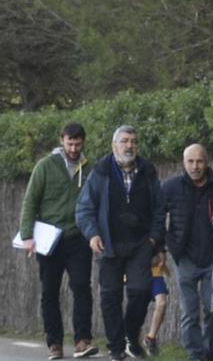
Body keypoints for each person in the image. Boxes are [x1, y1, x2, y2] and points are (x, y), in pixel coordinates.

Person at [76, 125, 166, 360]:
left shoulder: (147, 170)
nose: (130, 146)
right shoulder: (101, 171)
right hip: (109, 244)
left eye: (134, 141)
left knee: (141, 291)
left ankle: (129, 334)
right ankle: (117, 348)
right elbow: (84, 208)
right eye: (124, 141)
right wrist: (93, 234)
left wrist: (155, 239)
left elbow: (159, 209)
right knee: (110, 297)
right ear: (114, 145)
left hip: (140, 244)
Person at [18, 122, 99, 359]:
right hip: (49, 239)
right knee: (49, 292)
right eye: (69, 143)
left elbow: (95, 202)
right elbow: (30, 200)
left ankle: (83, 341)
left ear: (83, 141)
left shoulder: (90, 169)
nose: (73, 148)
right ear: (61, 140)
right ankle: (54, 343)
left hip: (78, 238)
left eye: (77, 143)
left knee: (82, 287)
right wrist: (27, 236)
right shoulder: (45, 166)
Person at [163, 143, 213, 361]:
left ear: (207, 162)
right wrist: (169, 243)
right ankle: (195, 355)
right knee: (189, 312)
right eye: (190, 161)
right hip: (185, 258)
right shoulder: (171, 187)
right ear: (183, 162)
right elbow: (157, 216)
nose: (195, 166)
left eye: (199, 161)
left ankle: (207, 351)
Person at [143, 251, 169, 356]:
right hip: (137, 272)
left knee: (162, 303)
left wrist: (162, 253)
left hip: (156, 272)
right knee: (137, 308)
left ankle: (150, 338)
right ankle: (130, 341)